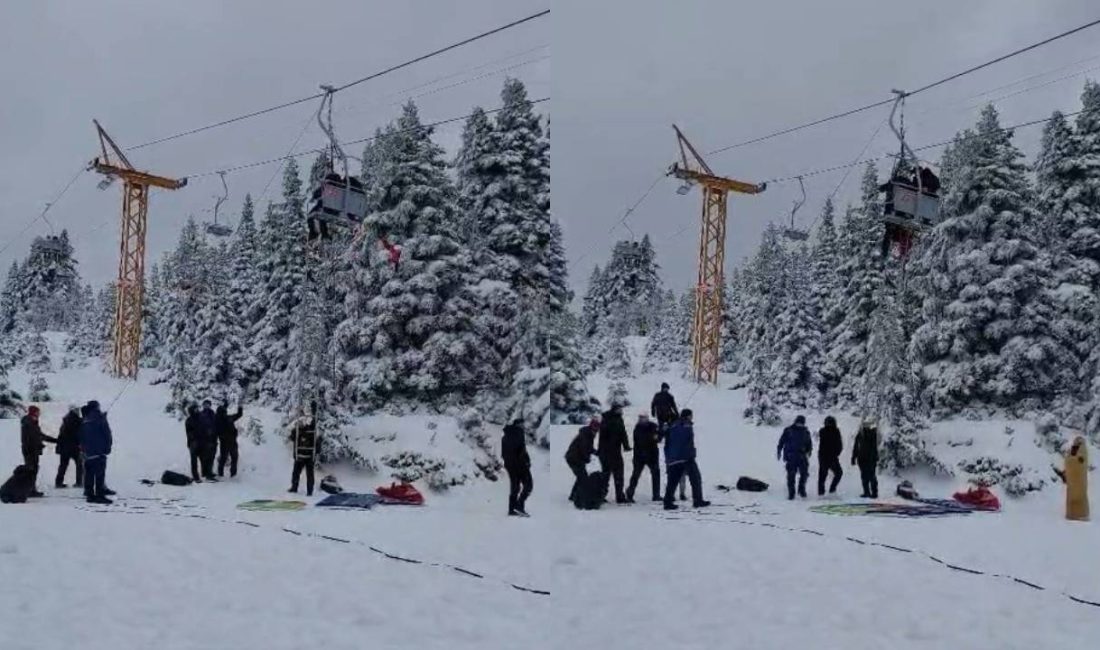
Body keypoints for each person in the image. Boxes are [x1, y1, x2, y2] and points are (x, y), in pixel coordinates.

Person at [662, 409, 709, 510]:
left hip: (673, 458)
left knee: (673, 481)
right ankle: (698, 500)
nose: (692, 417)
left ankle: (667, 502)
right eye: (691, 415)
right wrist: (691, 454)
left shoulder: (673, 425)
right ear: (688, 416)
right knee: (695, 478)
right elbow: (686, 442)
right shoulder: (686, 426)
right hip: (686, 457)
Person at [78, 401, 112, 505]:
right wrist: (107, 448)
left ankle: (89, 494)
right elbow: (107, 434)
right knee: (99, 475)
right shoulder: (100, 419)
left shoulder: (85, 420)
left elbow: (81, 436)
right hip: (99, 451)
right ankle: (99, 495)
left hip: (88, 452)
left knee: (89, 474)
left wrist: (83, 449)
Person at [20, 405, 58, 497]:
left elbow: (39, 436)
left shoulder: (32, 422)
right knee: (31, 471)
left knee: (33, 470)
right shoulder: (29, 423)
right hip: (30, 450)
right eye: (38, 412)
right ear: (34, 412)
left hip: (32, 450)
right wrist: (39, 444)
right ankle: (30, 490)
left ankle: (31, 489)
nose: (39, 413)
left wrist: (55, 440)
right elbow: (34, 437)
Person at [598, 404, 631, 503]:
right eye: (619, 409)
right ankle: (618, 497)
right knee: (615, 474)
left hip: (609, 452)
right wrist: (625, 445)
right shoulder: (612, 420)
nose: (621, 411)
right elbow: (621, 434)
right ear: (615, 410)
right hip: (610, 452)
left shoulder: (613, 419)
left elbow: (623, 434)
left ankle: (603, 495)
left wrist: (626, 446)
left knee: (608, 475)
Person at [626, 413, 662, 503]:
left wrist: (660, 432)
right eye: (641, 418)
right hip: (640, 456)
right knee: (636, 475)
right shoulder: (637, 429)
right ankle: (630, 493)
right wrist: (654, 437)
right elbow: (644, 439)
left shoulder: (653, 426)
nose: (642, 420)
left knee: (656, 474)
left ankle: (656, 495)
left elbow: (658, 438)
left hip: (652, 455)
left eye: (644, 418)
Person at [501, 419, 532, 516]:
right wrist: (526, 462)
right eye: (522, 424)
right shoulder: (518, 433)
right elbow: (521, 451)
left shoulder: (506, 436)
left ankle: (512, 509)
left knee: (515, 487)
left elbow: (505, 453)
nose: (524, 426)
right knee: (529, 485)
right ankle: (519, 506)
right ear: (518, 425)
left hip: (510, 465)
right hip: (520, 465)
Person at [777, 415, 813, 500]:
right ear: (796, 422)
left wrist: (809, 451)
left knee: (804, 474)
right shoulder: (788, 430)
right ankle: (791, 493)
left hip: (802, 456)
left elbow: (809, 443)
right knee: (791, 475)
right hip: (791, 456)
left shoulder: (806, 432)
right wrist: (779, 451)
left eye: (801, 423)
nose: (800, 425)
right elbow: (781, 441)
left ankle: (801, 489)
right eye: (799, 423)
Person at [565, 417, 599, 504]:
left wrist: (596, 452)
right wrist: (587, 458)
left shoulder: (588, 434)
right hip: (574, 459)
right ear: (591, 427)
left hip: (576, 458)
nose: (596, 431)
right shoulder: (586, 435)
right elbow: (584, 449)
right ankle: (576, 496)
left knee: (581, 477)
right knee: (582, 477)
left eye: (597, 429)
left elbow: (589, 448)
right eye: (594, 429)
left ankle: (573, 495)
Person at [289, 403, 320, 496]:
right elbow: (292, 437)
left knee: (309, 474)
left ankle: (309, 491)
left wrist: (315, 410)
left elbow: (314, 424)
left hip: (309, 456)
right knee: (295, 473)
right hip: (300, 456)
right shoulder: (296, 432)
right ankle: (294, 488)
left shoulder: (309, 431)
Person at [1059, 435, 1089, 521]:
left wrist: (1071, 459)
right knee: (1074, 497)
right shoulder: (1073, 452)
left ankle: (1080, 515)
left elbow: (1079, 462)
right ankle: (1074, 514)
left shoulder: (1082, 453)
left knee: (1079, 497)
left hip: (1079, 482)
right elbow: (1069, 461)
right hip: (1073, 483)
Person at [55, 405, 84, 488]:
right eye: (77, 410)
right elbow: (77, 433)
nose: (79, 412)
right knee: (79, 465)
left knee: (63, 465)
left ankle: (58, 482)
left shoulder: (66, 420)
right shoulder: (76, 420)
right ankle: (79, 482)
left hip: (64, 447)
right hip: (73, 447)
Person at [852, 419, 880, 499]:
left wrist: (854, 457)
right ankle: (868, 492)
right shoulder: (861, 435)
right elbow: (856, 447)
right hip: (863, 458)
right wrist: (854, 457)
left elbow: (873, 447)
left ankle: (873, 492)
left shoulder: (872, 434)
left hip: (868, 458)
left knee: (870, 475)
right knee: (866, 476)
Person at [184, 404, 213, 482]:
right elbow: (189, 433)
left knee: (204, 460)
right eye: (195, 409)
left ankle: (206, 474)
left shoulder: (201, 418)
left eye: (197, 409)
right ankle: (196, 477)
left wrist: (208, 435)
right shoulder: (189, 420)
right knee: (194, 461)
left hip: (203, 442)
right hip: (193, 444)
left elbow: (207, 427)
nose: (197, 410)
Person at [215, 404, 244, 478]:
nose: (224, 413)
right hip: (226, 442)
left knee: (231, 458)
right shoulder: (219, 420)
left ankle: (229, 474)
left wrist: (240, 408)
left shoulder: (227, 418)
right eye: (223, 412)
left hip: (230, 442)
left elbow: (239, 414)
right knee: (227, 458)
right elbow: (239, 414)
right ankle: (225, 474)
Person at [817, 415, 843, 496]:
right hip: (827, 456)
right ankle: (829, 490)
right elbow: (839, 444)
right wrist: (837, 452)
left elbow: (839, 444)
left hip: (828, 456)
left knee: (824, 475)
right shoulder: (827, 431)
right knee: (835, 473)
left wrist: (837, 452)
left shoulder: (824, 431)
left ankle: (826, 491)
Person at [199, 400, 218, 479]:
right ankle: (207, 473)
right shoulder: (201, 415)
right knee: (206, 457)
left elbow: (215, 425)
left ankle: (208, 472)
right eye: (205, 405)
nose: (206, 406)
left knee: (211, 456)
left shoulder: (213, 413)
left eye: (208, 405)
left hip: (213, 439)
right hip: (205, 439)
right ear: (203, 405)